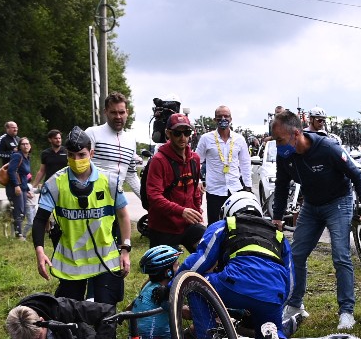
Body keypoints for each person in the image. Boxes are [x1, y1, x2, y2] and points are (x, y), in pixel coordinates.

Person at [271, 109, 361, 331]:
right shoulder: (284, 155)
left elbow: (357, 176)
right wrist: (277, 217)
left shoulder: (327, 148)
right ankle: (295, 304)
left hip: (338, 201)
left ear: (296, 133)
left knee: (340, 255)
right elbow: (281, 186)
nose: (278, 145)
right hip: (311, 204)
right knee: (296, 254)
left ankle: (347, 312)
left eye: (280, 139)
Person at [33, 127, 132, 306]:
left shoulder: (110, 180)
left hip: (106, 261)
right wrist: (40, 251)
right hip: (71, 264)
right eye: (71, 155)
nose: (76, 160)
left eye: (81, 155)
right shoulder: (54, 183)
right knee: (70, 318)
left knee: (106, 317)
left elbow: (124, 216)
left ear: (91, 153)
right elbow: (40, 220)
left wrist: (125, 249)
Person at [179, 191, 294, 337]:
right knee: (271, 336)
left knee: (195, 286)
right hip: (273, 293)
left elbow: (201, 260)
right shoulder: (279, 236)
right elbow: (290, 282)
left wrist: (175, 284)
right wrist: (277, 302)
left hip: (235, 283)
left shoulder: (225, 225)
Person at [143, 113, 206, 252]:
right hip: (163, 227)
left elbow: (194, 189)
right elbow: (153, 196)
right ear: (168, 133)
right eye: (177, 133)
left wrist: (197, 212)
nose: (182, 137)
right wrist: (181, 211)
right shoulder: (159, 160)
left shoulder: (194, 159)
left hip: (188, 224)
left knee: (211, 259)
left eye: (186, 132)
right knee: (162, 273)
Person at [5, 293, 119, 339]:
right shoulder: (20, 333)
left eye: (38, 337)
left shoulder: (63, 308)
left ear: (42, 321)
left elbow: (106, 311)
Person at [195, 105, 252, 224]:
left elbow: (245, 163)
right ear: (215, 120)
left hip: (235, 189)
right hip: (214, 190)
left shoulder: (239, 139)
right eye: (219, 117)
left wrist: (248, 186)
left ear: (231, 119)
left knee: (236, 225)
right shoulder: (206, 139)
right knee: (215, 225)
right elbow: (196, 161)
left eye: (226, 116)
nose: (223, 119)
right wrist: (199, 181)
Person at [86, 91, 141, 199]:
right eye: (113, 112)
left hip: (116, 202)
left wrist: (150, 202)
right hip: (92, 201)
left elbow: (131, 176)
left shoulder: (130, 140)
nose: (118, 116)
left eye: (121, 112)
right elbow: (79, 168)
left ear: (127, 112)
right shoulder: (92, 133)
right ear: (105, 112)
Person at [129, 245, 181, 339]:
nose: (180, 267)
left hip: (135, 338)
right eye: (177, 265)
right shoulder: (161, 292)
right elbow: (185, 313)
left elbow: (132, 305)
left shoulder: (149, 284)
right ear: (168, 272)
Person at [7, 137, 33, 239]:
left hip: (22, 187)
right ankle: (19, 234)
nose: (25, 146)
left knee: (22, 211)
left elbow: (23, 176)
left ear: (30, 146)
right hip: (15, 187)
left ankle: (17, 232)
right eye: (23, 144)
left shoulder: (27, 157)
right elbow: (11, 171)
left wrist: (27, 190)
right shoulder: (17, 156)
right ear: (19, 146)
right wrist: (16, 185)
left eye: (27, 144)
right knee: (18, 210)